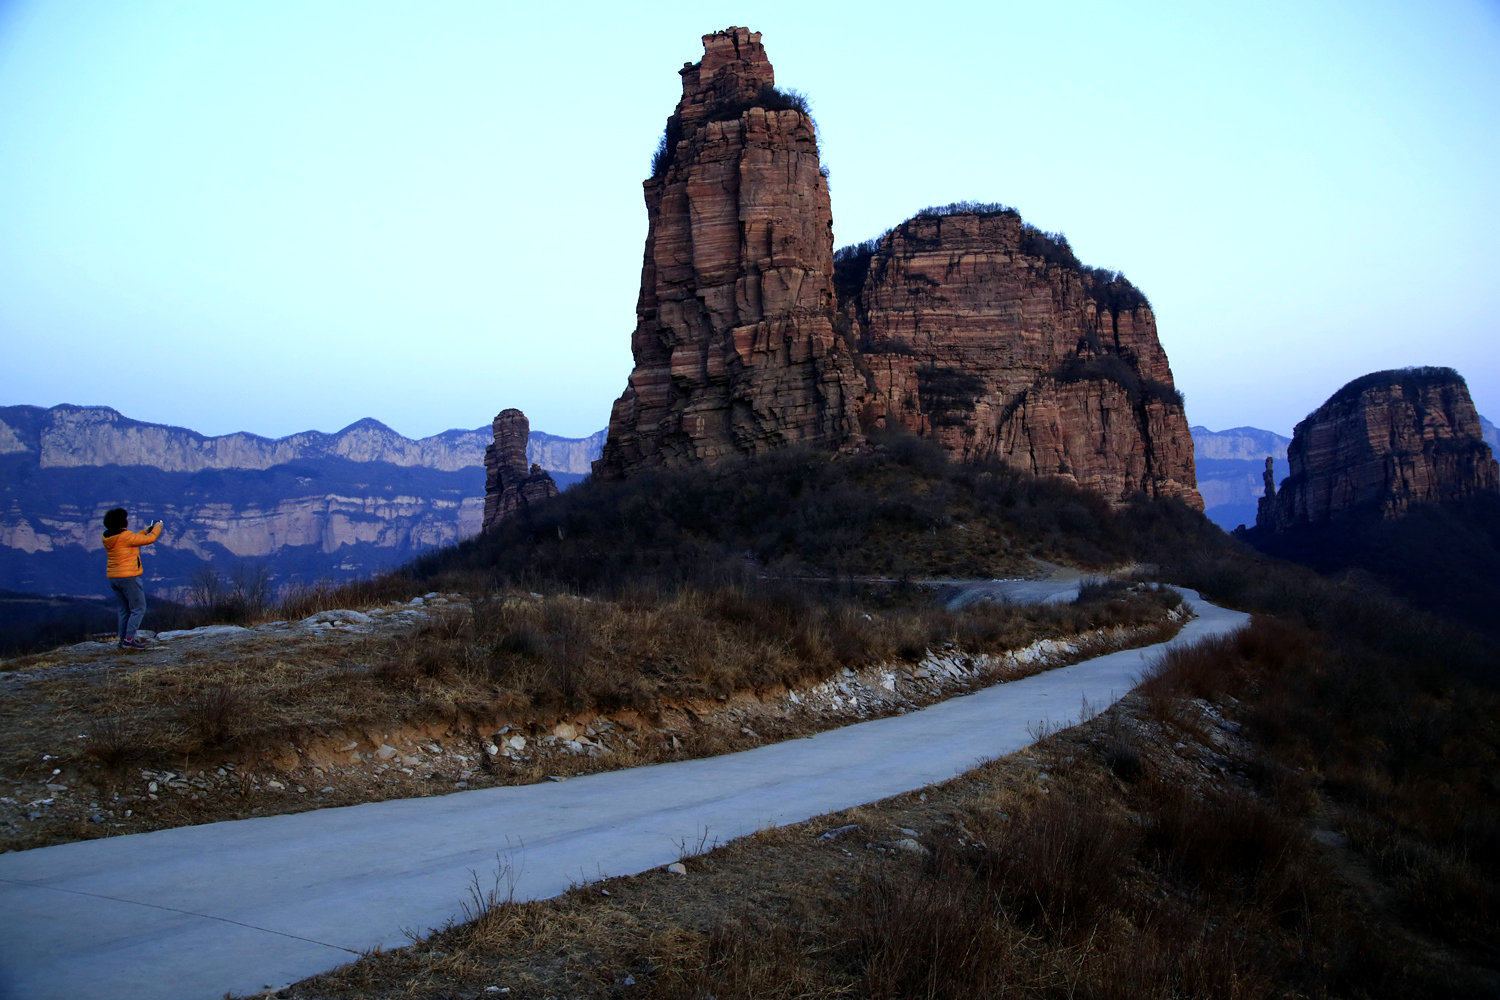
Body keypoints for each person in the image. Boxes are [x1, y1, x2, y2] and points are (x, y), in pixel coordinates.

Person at [102, 508, 163, 650]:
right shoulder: (125, 537)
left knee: (124, 610)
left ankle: (123, 640)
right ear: (122, 522)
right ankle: (129, 640)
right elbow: (150, 539)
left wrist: (145, 530)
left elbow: (133, 538)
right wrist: (157, 528)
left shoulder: (107, 536)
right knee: (139, 608)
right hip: (128, 577)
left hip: (114, 577)